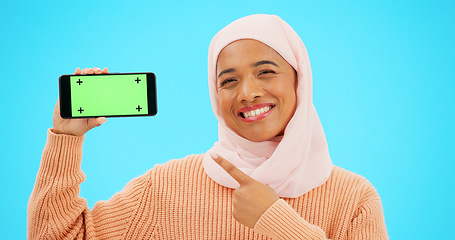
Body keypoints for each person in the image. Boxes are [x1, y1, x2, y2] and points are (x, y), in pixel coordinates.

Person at [28, 14, 388, 239]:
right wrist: (66, 137)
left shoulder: (354, 199)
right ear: (215, 95)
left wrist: (277, 221)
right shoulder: (165, 188)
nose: (248, 93)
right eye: (228, 81)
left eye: (266, 71)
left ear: (300, 81)